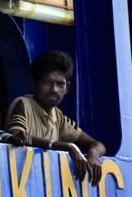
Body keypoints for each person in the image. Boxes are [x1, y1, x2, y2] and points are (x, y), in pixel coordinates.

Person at [6, 50, 105, 185]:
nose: (54, 89)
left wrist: (93, 154)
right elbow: (18, 136)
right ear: (34, 83)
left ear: (67, 87)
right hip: (18, 183)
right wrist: (68, 147)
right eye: (47, 82)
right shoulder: (22, 104)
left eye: (60, 84)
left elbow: (98, 144)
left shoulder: (59, 117)